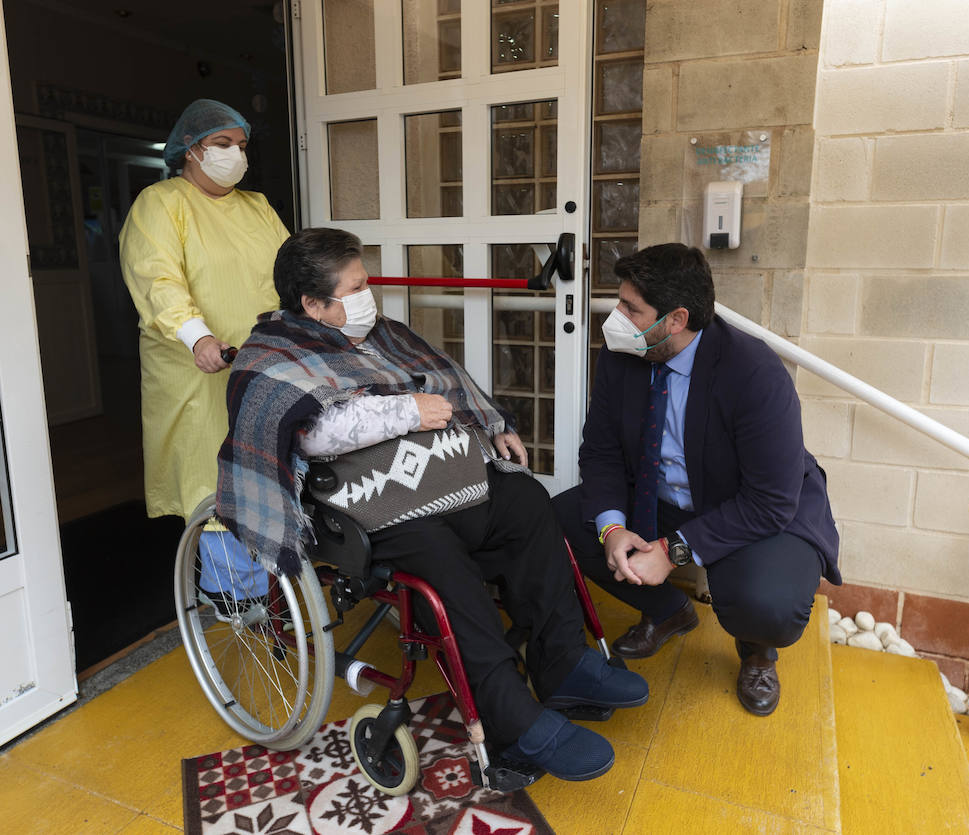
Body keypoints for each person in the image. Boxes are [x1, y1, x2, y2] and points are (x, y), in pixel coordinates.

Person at [216, 228, 648, 782]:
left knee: (524, 499)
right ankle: (511, 719)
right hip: (365, 506)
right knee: (440, 559)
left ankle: (561, 662)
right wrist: (405, 413)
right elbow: (310, 434)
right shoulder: (270, 355)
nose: (368, 295)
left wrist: (492, 424)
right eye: (357, 286)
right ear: (311, 304)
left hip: (433, 477)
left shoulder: (381, 333)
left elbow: (450, 382)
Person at [552, 243, 841, 717]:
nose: (616, 316)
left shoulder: (754, 372)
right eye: (620, 301)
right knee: (561, 520)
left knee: (766, 603)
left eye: (631, 307)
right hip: (661, 492)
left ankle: (757, 652)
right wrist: (612, 528)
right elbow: (600, 450)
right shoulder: (622, 355)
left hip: (750, 504)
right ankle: (669, 612)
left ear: (676, 319)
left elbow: (770, 500)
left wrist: (672, 551)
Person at [119, 98, 291, 520]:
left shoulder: (258, 207)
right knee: (213, 482)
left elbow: (291, 272)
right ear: (191, 148)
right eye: (222, 143)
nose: (235, 154)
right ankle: (222, 584)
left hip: (265, 360)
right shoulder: (160, 203)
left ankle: (276, 576)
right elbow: (157, 280)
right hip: (200, 368)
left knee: (272, 474)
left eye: (242, 144)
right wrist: (199, 337)